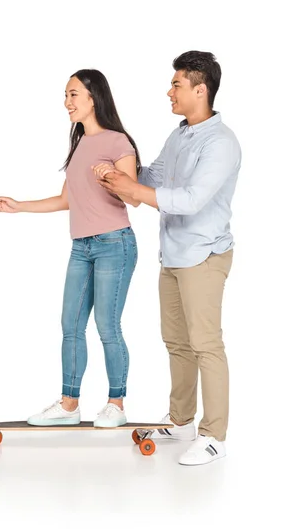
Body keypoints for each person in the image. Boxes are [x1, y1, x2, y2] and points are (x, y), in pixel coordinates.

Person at [93, 51, 241, 464]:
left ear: (201, 89)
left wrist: (134, 190)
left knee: (206, 344)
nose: (169, 91)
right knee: (177, 342)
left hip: (204, 256)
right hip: (172, 254)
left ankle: (215, 435)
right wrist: (120, 169)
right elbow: (156, 175)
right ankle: (181, 420)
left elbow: (191, 200)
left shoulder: (222, 143)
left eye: (176, 84)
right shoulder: (179, 135)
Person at [0, 69, 140, 428]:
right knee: (70, 325)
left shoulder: (118, 142)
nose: (67, 102)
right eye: (66, 95)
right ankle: (69, 404)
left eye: (73, 94)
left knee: (107, 325)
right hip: (81, 247)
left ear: (93, 97)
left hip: (113, 244)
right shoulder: (79, 144)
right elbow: (65, 200)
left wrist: (110, 176)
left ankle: (116, 403)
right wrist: (19, 205)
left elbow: (134, 196)